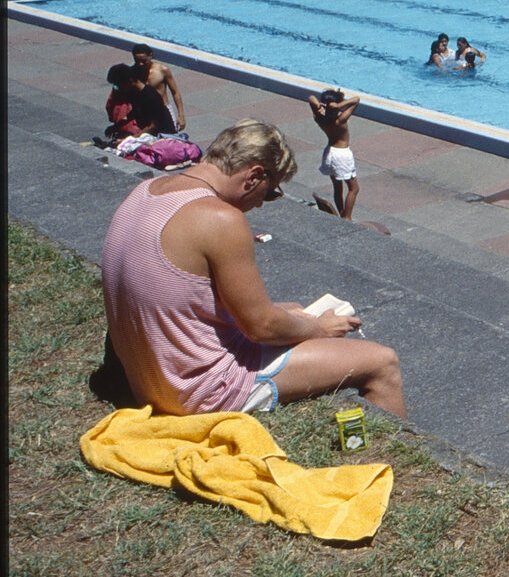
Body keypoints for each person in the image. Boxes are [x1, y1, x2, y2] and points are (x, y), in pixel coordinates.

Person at [101, 120, 405, 417]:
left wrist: (287, 316)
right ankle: (391, 463)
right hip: (198, 393)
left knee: (293, 310)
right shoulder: (219, 218)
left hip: (146, 382)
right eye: (270, 192)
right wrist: (319, 329)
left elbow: (181, 296)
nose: (261, 204)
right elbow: (261, 327)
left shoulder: (145, 191)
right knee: (382, 362)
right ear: (254, 176)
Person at [307, 89, 360, 221]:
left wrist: (320, 106)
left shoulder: (320, 118)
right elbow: (356, 99)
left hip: (329, 153)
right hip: (342, 154)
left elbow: (311, 98)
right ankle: (347, 217)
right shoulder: (341, 120)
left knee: (338, 188)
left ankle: (342, 214)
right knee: (354, 188)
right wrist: (338, 106)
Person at [105, 64, 176, 138]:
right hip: (148, 134)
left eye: (119, 86)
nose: (119, 89)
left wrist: (131, 140)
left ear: (130, 80)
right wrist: (116, 126)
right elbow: (134, 112)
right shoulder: (133, 94)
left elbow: (153, 126)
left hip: (163, 136)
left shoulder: (150, 96)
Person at [132, 43, 186, 134]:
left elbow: (175, 92)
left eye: (143, 60)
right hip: (145, 111)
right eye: (137, 61)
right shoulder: (133, 72)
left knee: (170, 138)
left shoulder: (162, 70)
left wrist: (181, 115)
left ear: (150, 55)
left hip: (164, 110)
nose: (140, 64)